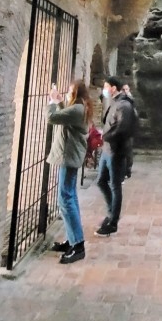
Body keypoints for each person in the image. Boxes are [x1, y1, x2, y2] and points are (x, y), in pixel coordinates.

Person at [47, 79, 92, 263]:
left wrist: (52, 101)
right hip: (71, 157)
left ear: (77, 94)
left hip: (69, 157)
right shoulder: (80, 108)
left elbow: (53, 118)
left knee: (65, 199)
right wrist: (59, 101)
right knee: (69, 197)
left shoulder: (77, 110)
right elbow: (65, 112)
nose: (68, 94)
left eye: (71, 91)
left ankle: (78, 246)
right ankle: (73, 239)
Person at [95, 76, 137, 236]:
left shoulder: (124, 105)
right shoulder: (116, 103)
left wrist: (105, 136)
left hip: (116, 151)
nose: (104, 90)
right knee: (100, 181)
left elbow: (122, 129)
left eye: (106, 86)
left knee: (115, 185)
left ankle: (113, 222)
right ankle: (111, 211)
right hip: (108, 150)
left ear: (113, 88)